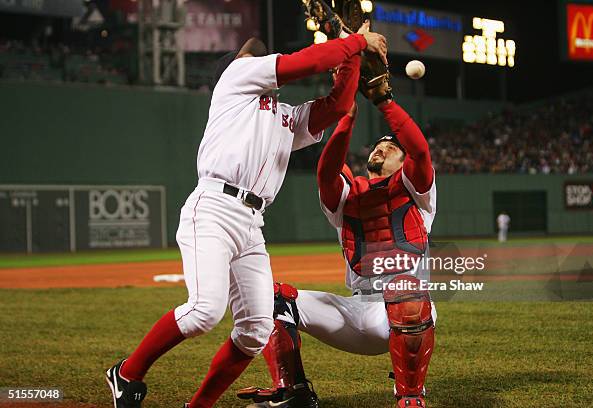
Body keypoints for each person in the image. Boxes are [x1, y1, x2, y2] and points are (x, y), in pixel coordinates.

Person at [105, 24, 389, 408]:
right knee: (205, 311)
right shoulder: (234, 81)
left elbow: (338, 106)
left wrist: (351, 58)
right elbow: (301, 62)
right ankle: (127, 374)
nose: (256, 61)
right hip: (215, 208)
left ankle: (199, 405)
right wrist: (354, 42)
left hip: (252, 223)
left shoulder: (283, 116)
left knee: (255, 331)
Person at [241, 80, 437, 407]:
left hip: (406, 314)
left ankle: (410, 396)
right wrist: (346, 119)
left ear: (405, 162)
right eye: (378, 145)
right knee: (271, 299)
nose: (382, 148)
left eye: (392, 148)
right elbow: (327, 173)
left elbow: (420, 150)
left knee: (407, 292)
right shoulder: (347, 196)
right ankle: (292, 391)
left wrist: (384, 102)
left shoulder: (418, 192)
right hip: (359, 311)